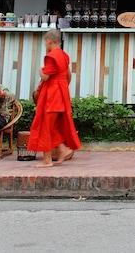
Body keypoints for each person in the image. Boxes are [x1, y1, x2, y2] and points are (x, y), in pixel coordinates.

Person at [28, 29, 81, 167]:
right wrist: (62, 87)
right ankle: (63, 149)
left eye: (46, 42)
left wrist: (41, 70)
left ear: (49, 41)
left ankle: (47, 160)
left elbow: (45, 76)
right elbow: (69, 75)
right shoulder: (64, 55)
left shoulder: (51, 56)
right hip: (62, 93)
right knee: (53, 125)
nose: (45, 44)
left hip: (52, 95)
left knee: (45, 124)